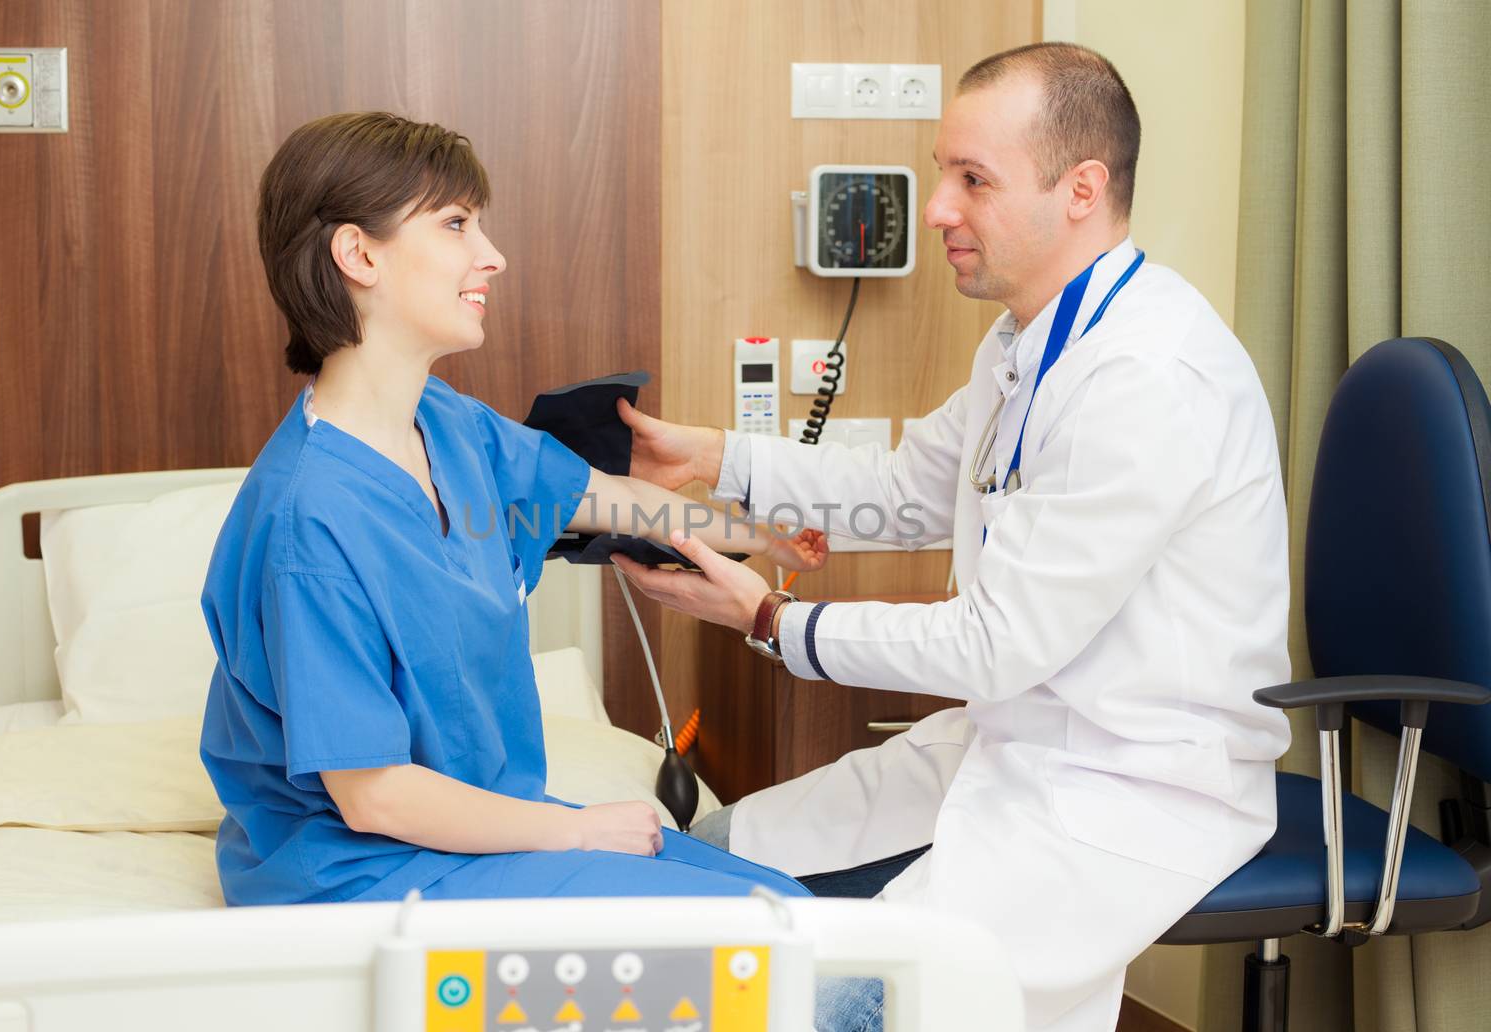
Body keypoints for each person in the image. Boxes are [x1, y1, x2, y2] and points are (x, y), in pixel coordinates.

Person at [612, 43, 1293, 1032]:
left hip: (1134, 781)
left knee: (864, 1002)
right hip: (1020, 736)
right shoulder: (1026, 342)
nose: (937, 208)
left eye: (972, 180)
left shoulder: (1146, 378)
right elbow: (905, 488)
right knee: (723, 847)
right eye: (943, 174)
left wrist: (772, 617)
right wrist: (714, 457)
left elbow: (991, 643)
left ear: (1081, 190)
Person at [198, 112, 826, 910]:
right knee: (771, 945)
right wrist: (576, 831)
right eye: (456, 224)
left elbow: (616, 500)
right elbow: (373, 796)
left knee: (787, 905)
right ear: (358, 254)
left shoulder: (448, 425)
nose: (491, 256)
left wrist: (764, 539)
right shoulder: (308, 522)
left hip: (487, 832)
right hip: (363, 872)